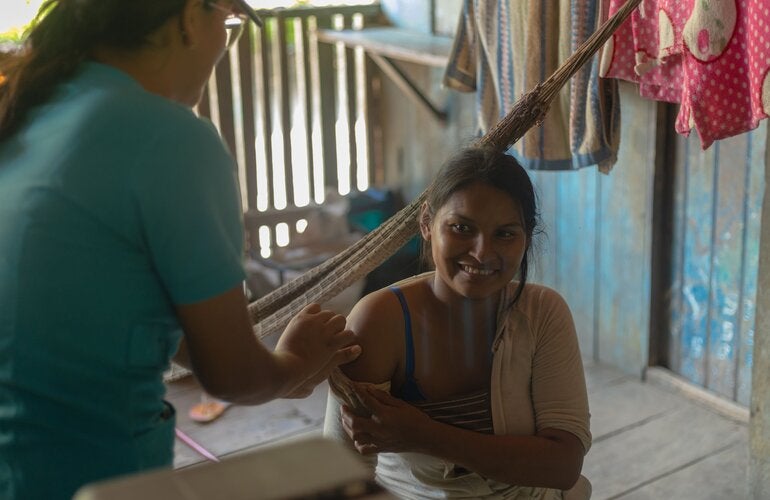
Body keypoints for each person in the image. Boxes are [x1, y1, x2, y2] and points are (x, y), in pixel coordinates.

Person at [0, 1, 360, 498]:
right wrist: (293, 366)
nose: (223, 44)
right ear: (191, 17)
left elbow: (114, 307)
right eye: (227, 25)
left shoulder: (32, 112)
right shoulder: (168, 137)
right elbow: (231, 375)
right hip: (81, 473)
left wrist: (279, 372)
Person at [324, 146, 592, 499]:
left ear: (527, 237)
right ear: (426, 224)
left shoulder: (542, 313)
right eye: (461, 227)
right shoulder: (380, 322)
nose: (482, 252)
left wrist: (426, 435)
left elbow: (563, 466)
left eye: (505, 234)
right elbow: (339, 472)